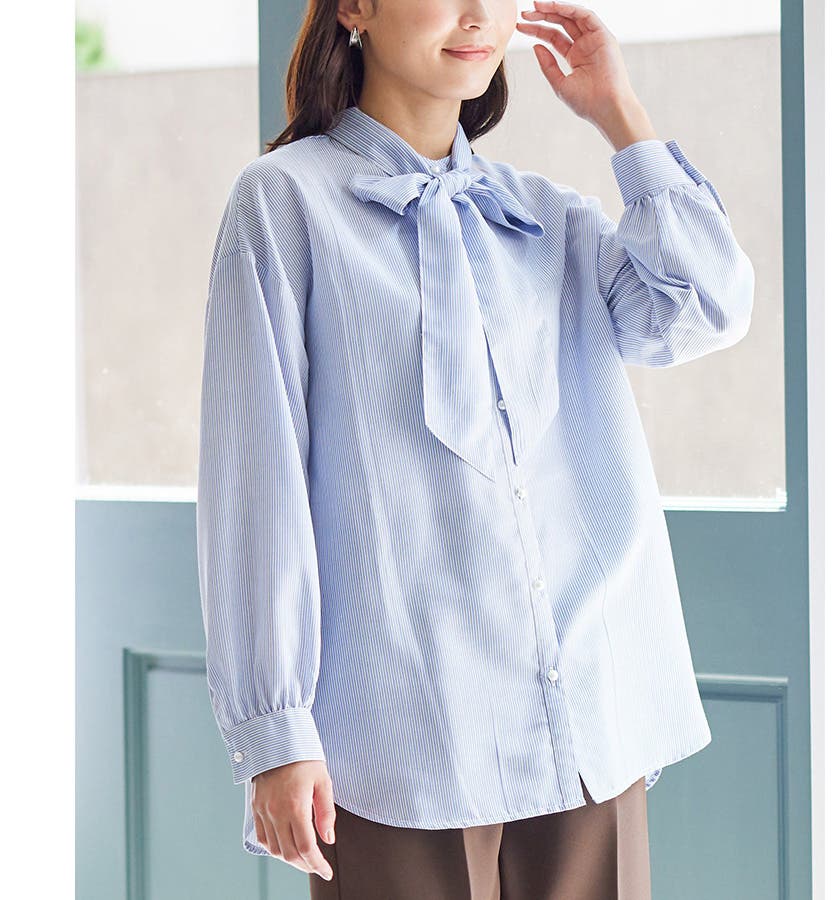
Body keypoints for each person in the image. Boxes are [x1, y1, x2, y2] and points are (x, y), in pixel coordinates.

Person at [196, 1, 755, 897]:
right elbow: (254, 487)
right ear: (356, 7)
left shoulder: (548, 217)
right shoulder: (284, 204)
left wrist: (620, 113)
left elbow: (706, 306)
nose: (476, 15)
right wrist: (274, 732)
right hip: (400, 738)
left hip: (588, 725)